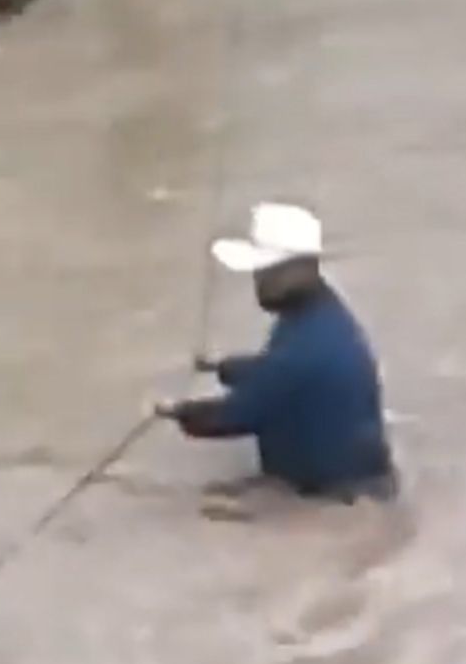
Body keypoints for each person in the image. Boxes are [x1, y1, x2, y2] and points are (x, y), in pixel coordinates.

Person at [152, 202, 396, 503]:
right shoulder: (318, 314)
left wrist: (176, 411)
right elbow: (272, 376)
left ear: (295, 271)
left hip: (334, 497)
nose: (256, 281)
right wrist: (220, 367)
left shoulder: (303, 349)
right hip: (353, 476)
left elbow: (233, 415)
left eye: (263, 273)